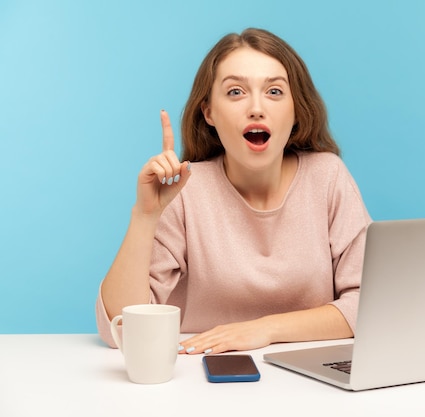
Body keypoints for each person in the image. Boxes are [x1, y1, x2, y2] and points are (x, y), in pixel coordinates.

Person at [96, 28, 371, 355]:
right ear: (208, 112)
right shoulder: (184, 190)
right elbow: (121, 329)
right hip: (199, 376)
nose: (256, 108)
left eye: (274, 91)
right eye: (236, 92)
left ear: (296, 110)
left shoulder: (327, 176)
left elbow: (369, 305)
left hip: (308, 376)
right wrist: (144, 216)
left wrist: (263, 330)